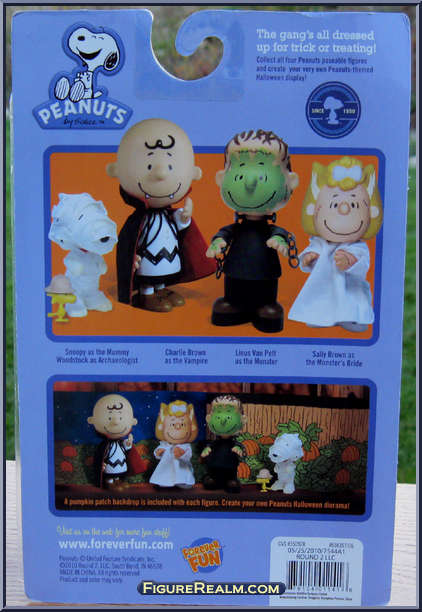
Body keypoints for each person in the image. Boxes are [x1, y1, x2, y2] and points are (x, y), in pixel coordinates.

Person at [107, 118, 215, 312]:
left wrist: (185, 217)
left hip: (168, 258)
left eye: (171, 167)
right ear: (116, 171)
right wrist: (131, 256)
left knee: (163, 271)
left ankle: (162, 289)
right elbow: (128, 243)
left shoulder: (169, 215)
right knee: (149, 273)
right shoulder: (136, 222)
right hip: (147, 261)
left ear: (194, 173)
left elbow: (181, 227)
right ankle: (146, 293)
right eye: (149, 166)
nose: (161, 174)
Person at [206, 129, 299, 333]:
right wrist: (218, 242)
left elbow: (279, 233)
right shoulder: (237, 228)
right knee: (232, 288)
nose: (250, 182)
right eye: (239, 171)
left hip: (265, 271)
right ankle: (233, 303)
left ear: (291, 182)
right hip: (236, 270)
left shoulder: (270, 229)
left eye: (263, 171)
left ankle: (266, 305)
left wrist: (280, 241)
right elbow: (225, 233)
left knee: (267, 291)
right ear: (221, 178)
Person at [288, 157, 383, 331]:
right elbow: (309, 257)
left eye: (354, 205)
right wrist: (309, 258)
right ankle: (319, 315)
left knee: (354, 301)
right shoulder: (319, 243)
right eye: (333, 204)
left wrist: (350, 261)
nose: (343, 210)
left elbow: (363, 264)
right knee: (320, 300)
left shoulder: (357, 247)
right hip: (324, 288)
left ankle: (352, 318)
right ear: (314, 212)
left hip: (351, 288)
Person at [87, 394, 147, 489]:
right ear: (92, 420)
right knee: (110, 477)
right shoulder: (103, 445)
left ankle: (118, 481)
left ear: (133, 421)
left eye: (120, 418)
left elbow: (127, 449)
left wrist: (128, 443)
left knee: (119, 476)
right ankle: (110, 482)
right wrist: (100, 464)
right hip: (109, 468)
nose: (115, 422)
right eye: (109, 418)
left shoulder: (121, 442)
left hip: (121, 467)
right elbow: (99, 457)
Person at [150, 400, 198, 488]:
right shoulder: (165, 444)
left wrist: (182, 454)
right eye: (172, 424)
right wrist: (158, 452)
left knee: (183, 478)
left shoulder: (186, 446)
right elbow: (157, 454)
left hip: (182, 469)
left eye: (183, 424)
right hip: (166, 468)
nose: (177, 428)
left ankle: (182, 482)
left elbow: (188, 456)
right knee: (164, 479)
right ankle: (163, 483)